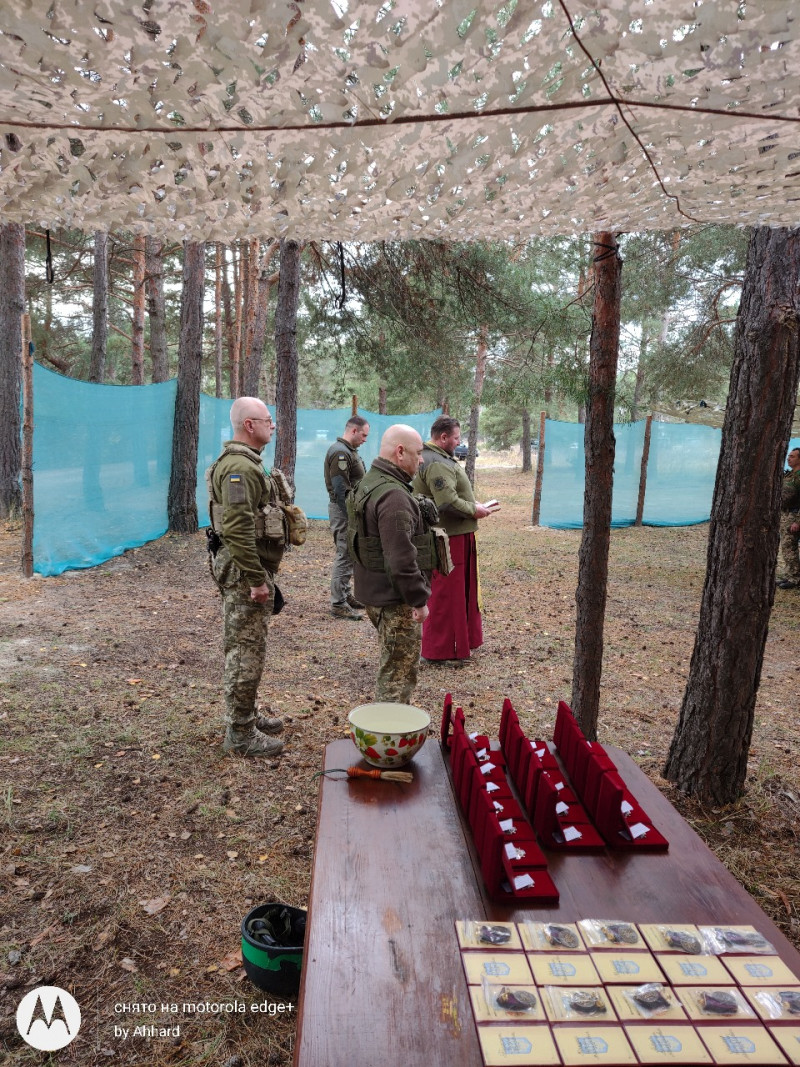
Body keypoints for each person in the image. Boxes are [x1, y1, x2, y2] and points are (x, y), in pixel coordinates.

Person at [206, 397, 290, 757]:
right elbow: (238, 529)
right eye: (267, 420)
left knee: (248, 647)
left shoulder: (246, 463)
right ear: (249, 425)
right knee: (244, 652)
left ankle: (246, 715)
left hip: (248, 568)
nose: (273, 425)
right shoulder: (240, 468)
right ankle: (239, 734)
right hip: (244, 573)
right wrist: (256, 579)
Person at [349, 424, 435, 703]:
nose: (421, 459)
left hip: (375, 594)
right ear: (400, 452)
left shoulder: (369, 481)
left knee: (393, 666)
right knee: (397, 676)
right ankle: (390, 737)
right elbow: (400, 558)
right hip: (396, 600)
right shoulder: (394, 495)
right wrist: (418, 599)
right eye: (418, 453)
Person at [412, 415, 499, 661]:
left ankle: (457, 643)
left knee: (457, 595)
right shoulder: (437, 462)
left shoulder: (437, 457)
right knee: (446, 596)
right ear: (443, 437)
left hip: (455, 536)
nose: (459, 442)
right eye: (456, 438)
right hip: (449, 539)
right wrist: (475, 510)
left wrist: (473, 504)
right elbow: (447, 502)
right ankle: (439, 650)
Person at [324, 415, 370, 619]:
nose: (365, 439)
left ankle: (345, 594)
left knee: (351, 553)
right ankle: (338, 604)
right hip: (344, 511)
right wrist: (351, 516)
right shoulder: (340, 453)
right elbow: (340, 489)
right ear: (353, 431)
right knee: (345, 553)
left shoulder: (349, 451)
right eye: (363, 434)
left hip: (350, 510)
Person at [777, 446, 800, 589]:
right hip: (786, 514)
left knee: (789, 547)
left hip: (794, 515)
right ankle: (790, 573)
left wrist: (798, 520)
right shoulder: (790, 475)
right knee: (786, 547)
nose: (788, 458)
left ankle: (795, 578)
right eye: (788, 456)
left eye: (792, 456)